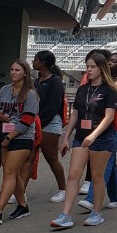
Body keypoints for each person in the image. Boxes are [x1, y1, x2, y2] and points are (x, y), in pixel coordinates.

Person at [51, 51, 117, 229]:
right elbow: (75, 114)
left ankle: (96, 212)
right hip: (81, 137)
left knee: (97, 176)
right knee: (74, 174)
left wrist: (94, 134)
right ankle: (66, 214)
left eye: (92, 67)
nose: (88, 70)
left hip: (102, 139)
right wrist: (66, 136)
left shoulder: (109, 91)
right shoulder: (83, 89)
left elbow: (109, 117)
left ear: (101, 68)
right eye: (87, 66)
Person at [0, 59, 39, 224]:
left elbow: (27, 120)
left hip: (22, 137)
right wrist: (1, 116)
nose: (13, 73)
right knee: (11, 173)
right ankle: (23, 206)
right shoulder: (5, 90)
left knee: (9, 173)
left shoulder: (30, 94)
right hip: (4, 133)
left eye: (17, 70)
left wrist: (9, 138)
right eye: (12, 69)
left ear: (25, 73)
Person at [81, 51, 117, 211]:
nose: (111, 63)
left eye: (114, 61)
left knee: (107, 156)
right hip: (101, 120)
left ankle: (92, 198)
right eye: (109, 61)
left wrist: (114, 104)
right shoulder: (104, 79)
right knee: (109, 158)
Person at [33, 51, 68, 203]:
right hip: (36, 123)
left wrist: (40, 122)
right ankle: (20, 191)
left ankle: (63, 189)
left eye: (36, 60)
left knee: (51, 158)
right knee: (28, 157)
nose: (33, 62)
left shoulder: (55, 81)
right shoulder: (37, 80)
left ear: (44, 63)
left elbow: (54, 106)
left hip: (49, 123)